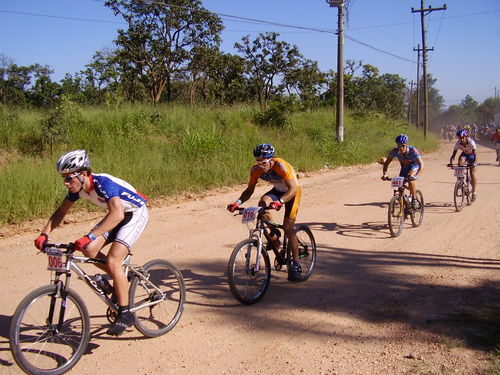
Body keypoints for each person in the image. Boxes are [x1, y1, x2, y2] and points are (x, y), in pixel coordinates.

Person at [34, 150, 149, 336]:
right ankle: (121, 279)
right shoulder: (77, 189)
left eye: (69, 178)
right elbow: (61, 212)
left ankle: (126, 314)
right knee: (88, 249)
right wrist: (44, 234)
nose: (66, 183)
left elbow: (118, 214)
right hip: (117, 213)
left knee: (113, 260)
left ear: (83, 174)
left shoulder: (103, 184)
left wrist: (90, 236)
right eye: (64, 178)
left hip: (134, 213)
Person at [226, 143, 303, 281]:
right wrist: (237, 203)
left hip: (292, 192)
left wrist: (280, 201)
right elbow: (249, 190)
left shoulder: (281, 166)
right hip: (278, 191)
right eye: (258, 162)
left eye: (263, 162)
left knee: (288, 227)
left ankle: (296, 265)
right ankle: (274, 233)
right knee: (262, 205)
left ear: (271, 159)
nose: (260, 165)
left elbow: (292, 189)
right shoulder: (256, 170)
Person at [381, 134, 424, 209]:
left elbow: (421, 164)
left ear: (406, 145)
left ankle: (414, 200)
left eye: (403, 146)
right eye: (398, 146)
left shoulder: (413, 150)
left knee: (410, 177)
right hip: (404, 168)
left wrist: (416, 175)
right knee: (399, 185)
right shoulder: (394, 151)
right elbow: (386, 163)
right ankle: (404, 202)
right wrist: (384, 174)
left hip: (414, 166)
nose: (400, 148)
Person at [449, 129, 478, 201]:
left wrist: (474, 163)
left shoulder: (471, 142)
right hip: (464, 155)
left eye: (463, 137)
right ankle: (459, 180)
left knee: (472, 173)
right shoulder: (458, 143)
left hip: (472, 156)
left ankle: (474, 192)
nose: (461, 139)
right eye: (459, 138)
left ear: (466, 136)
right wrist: (451, 163)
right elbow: (453, 156)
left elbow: (475, 154)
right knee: (460, 163)